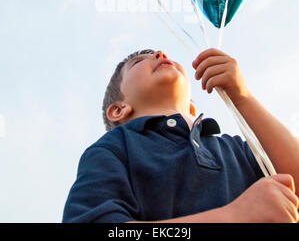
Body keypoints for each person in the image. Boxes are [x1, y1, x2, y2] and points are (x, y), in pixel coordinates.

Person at [62, 48, 299, 223]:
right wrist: (234, 216)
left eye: (159, 53)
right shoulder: (113, 149)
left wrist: (242, 97)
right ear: (118, 109)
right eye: (138, 62)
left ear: (192, 107)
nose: (160, 54)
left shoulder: (234, 149)